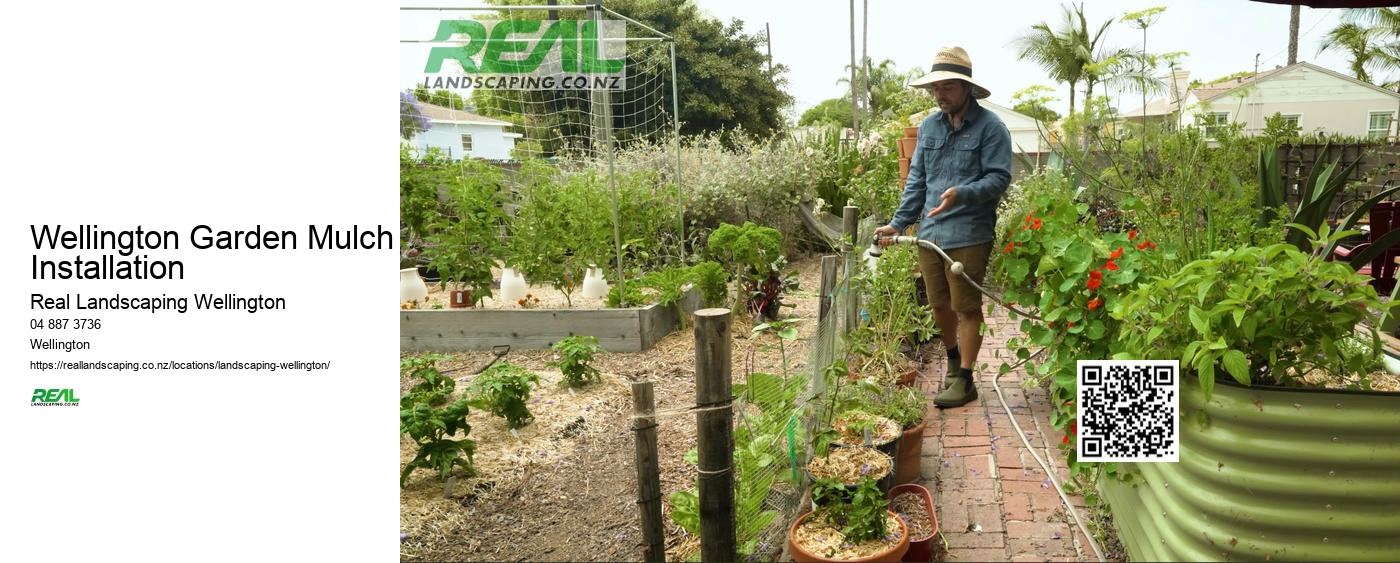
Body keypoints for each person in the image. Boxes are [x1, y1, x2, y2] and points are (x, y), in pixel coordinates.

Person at [873, 46, 1012, 409]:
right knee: (939, 307)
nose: (940, 94)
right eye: (936, 88)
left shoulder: (992, 128)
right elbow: (917, 179)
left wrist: (962, 193)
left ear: (967, 88)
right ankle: (953, 360)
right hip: (929, 232)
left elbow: (999, 178)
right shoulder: (930, 126)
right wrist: (898, 223)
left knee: (966, 307)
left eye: (948, 87)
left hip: (968, 233)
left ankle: (965, 380)